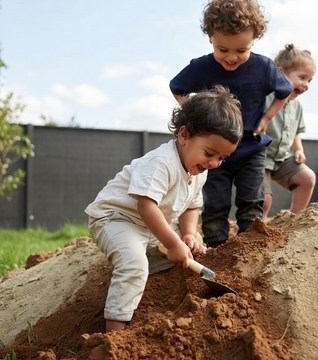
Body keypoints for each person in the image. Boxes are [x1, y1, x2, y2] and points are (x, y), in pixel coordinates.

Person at [85, 85, 243, 332]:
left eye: (222, 158)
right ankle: (114, 331)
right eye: (210, 153)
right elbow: (146, 205)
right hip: (118, 219)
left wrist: (188, 235)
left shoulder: (197, 168)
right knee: (135, 264)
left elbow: (192, 205)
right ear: (184, 135)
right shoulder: (161, 162)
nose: (214, 163)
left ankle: (137, 273)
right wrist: (172, 244)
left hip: (151, 226)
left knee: (185, 250)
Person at [170, 0, 293, 248]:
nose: (231, 57)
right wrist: (195, 115)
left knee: (252, 200)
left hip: (252, 146)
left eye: (241, 50)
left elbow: (285, 91)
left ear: (254, 40)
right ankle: (216, 247)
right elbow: (177, 87)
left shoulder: (264, 67)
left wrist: (267, 117)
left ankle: (250, 246)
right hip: (214, 152)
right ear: (210, 38)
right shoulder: (202, 67)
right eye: (222, 49)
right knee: (215, 202)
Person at [263, 44, 317, 219]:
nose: (306, 84)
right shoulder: (265, 97)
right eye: (302, 77)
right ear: (280, 72)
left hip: (282, 156)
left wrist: (299, 149)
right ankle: (254, 230)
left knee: (307, 178)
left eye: (309, 80)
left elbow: (295, 132)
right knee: (264, 200)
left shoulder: (297, 106)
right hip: (260, 156)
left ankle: (294, 219)